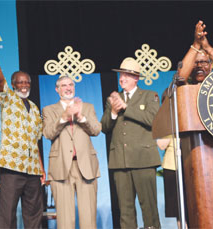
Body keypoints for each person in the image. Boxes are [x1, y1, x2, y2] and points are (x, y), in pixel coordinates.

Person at [0, 43, 45, 228]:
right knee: (7, 212)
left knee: (34, 212)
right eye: (20, 82)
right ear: (13, 84)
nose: (24, 85)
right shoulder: (8, 99)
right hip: (11, 167)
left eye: (27, 82)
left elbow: (35, 142)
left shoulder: (35, 109)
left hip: (33, 170)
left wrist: (41, 169)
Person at [101, 58, 161, 228]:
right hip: (120, 161)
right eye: (121, 74)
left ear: (136, 78)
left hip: (143, 160)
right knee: (125, 210)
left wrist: (126, 107)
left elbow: (153, 120)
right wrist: (113, 111)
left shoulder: (150, 96)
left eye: (127, 75)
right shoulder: (113, 99)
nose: (122, 78)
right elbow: (104, 126)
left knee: (149, 208)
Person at [42, 76, 101, 228]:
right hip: (61, 168)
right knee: (65, 221)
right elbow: (48, 133)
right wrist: (63, 117)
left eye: (71, 85)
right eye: (64, 85)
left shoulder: (87, 107)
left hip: (86, 167)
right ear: (57, 89)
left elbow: (96, 130)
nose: (68, 88)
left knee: (89, 219)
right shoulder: (49, 110)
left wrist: (80, 116)